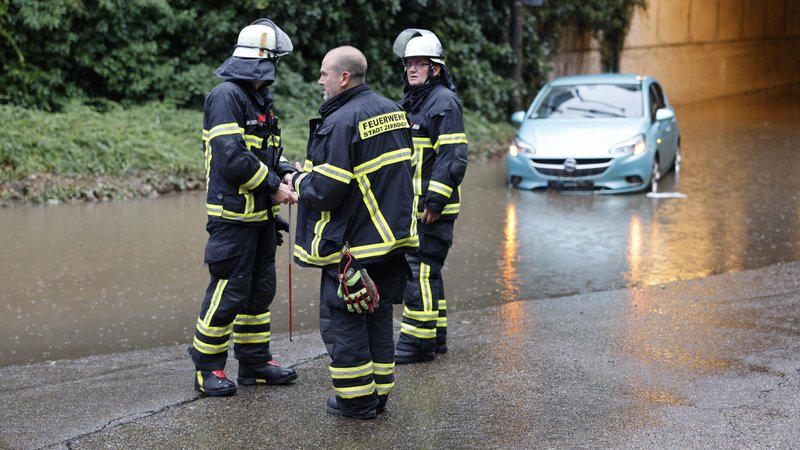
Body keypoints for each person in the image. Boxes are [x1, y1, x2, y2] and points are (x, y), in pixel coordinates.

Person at [291, 46, 418, 419]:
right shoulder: (394, 111)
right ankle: (380, 394)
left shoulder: (340, 122)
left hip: (354, 245)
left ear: (343, 77)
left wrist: (297, 179)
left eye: (324, 74)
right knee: (377, 316)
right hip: (391, 241)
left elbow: (326, 190)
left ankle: (357, 401)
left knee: (344, 322)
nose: (320, 81)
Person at [188, 18, 299, 397]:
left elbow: (268, 154)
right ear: (263, 60)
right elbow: (231, 157)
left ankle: (254, 362)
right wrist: (273, 187)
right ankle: (207, 367)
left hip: (260, 220)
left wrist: (287, 173)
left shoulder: (259, 99)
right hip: (233, 220)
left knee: (258, 293)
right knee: (228, 292)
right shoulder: (226, 97)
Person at [391, 29, 469, 364]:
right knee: (429, 271)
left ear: (435, 69)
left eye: (420, 64)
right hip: (419, 206)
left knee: (418, 270)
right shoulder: (416, 101)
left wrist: (435, 202)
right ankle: (435, 336)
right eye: (409, 63)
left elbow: (453, 156)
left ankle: (416, 343)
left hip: (430, 208)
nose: (412, 69)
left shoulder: (443, 103)